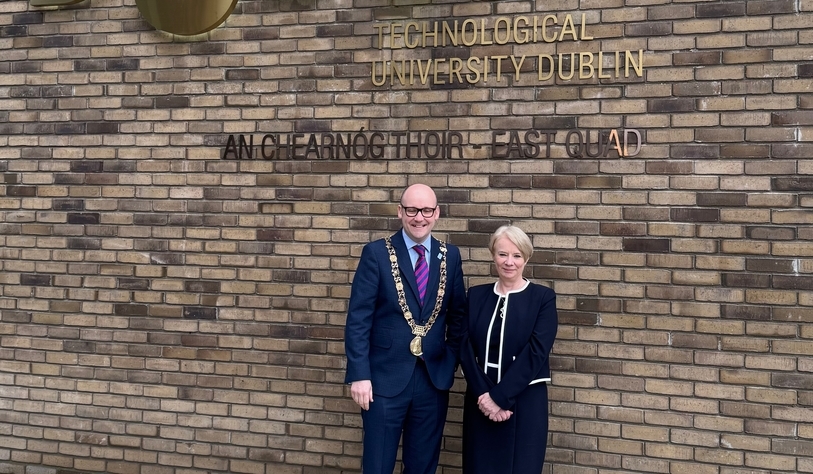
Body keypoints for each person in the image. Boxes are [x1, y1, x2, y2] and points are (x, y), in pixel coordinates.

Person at [344, 183, 467, 474]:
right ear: (400, 212)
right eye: (412, 210)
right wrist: (359, 374)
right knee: (378, 465)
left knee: (422, 467)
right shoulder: (376, 253)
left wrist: (448, 362)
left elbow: (458, 318)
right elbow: (359, 319)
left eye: (426, 210)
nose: (419, 217)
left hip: (432, 380)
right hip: (383, 381)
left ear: (437, 213)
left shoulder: (450, 256)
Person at [459, 224, 559, 474]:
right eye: (503, 254)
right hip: (480, 401)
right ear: (493, 255)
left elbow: (536, 352)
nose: (509, 262)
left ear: (526, 258)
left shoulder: (542, 298)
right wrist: (484, 396)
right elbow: (464, 346)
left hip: (524, 403)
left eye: (517, 255)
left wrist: (499, 398)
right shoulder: (476, 296)